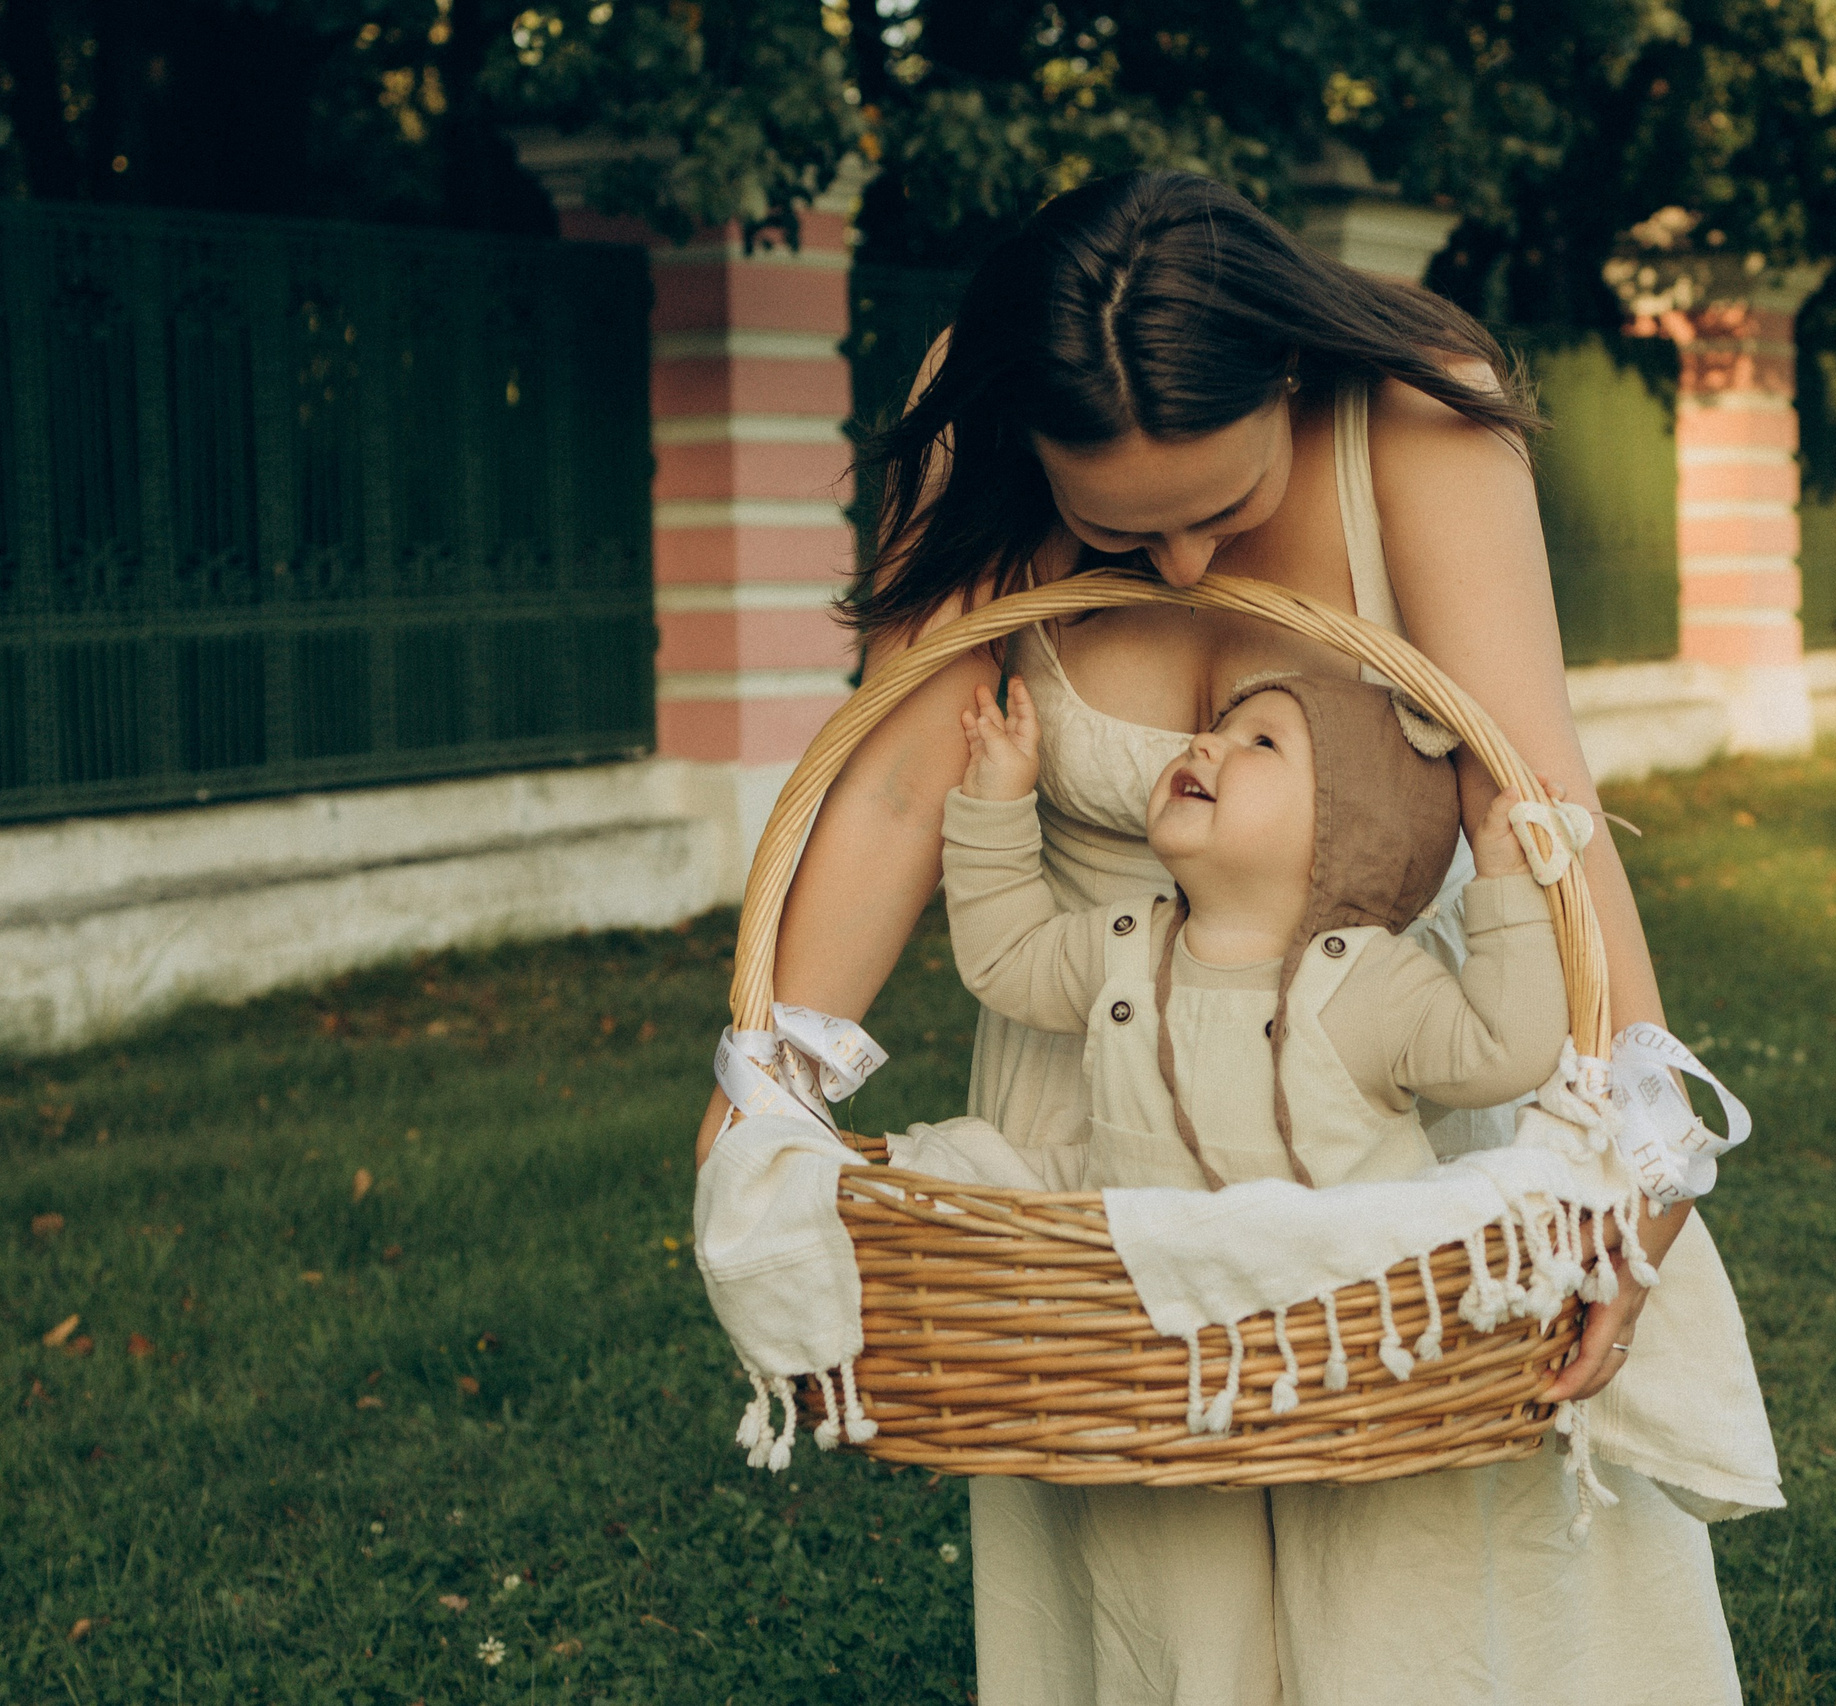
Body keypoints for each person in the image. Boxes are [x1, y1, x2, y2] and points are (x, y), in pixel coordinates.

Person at [694, 170, 1779, 1705]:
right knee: (1164, 1610)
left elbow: (1530, 791)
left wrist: (1632, 1130)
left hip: (1389, 1081)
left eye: (1223, 507)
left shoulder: (1417, 409)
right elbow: (888, 788)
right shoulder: (979, 406)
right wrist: (771, 1077)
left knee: (1427, 1590)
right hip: (1100, 1102)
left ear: (1284, 375)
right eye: (1120, 528)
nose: (1188, 563)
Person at [943, 670, 1565, 1192]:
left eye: (1262, 743)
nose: (1201, 746)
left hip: (1336, 1310)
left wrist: (1506, 884)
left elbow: (1504, 1050)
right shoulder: (1127, 949)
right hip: (1141, 1303)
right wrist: (996, 804)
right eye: (1213, 733)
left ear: (1350, 833)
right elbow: (1006, 959)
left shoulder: (1367, 983)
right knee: (949, 1166)